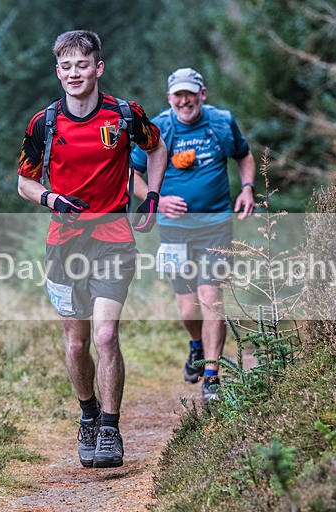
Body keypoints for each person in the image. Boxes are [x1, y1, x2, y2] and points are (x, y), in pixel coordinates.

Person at [17, 30, 167, 468]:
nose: (74, 73)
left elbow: (156, 150)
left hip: (114, 239)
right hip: (64, 244)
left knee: (105, 336)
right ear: (58, 71)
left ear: (98, 68)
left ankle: (109, 429)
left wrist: (152, 197)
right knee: (77, 343)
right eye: (65, 66)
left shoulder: (122, 114)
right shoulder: (43, 123)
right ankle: (87, 415)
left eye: (82, 65)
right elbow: (24, 182)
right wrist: (49, 198)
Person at [131, 67, 255, 403]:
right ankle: (196, 346)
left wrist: (247, 188)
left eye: (191, 93)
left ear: (202, 94)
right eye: (178, 95)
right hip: (174, 233)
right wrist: (156, 199)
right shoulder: (158, 129)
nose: (184, 100)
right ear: (169, 98)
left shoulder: (221, 122)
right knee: (188, 308)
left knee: (211, 298)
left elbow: (243, 155)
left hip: (216, 226)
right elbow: (134, 175)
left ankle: (212, 376)